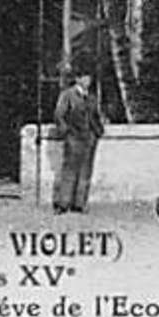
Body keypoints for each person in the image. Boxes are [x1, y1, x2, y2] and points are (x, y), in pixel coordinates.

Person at [53, 73, 104, 214]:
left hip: (89, 138)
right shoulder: (68, 95)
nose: (88, 81)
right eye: (84, 77)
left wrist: (98, 132)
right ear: (77, 79)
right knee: (69, 170)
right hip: (73, 137)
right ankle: (63, 204)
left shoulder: (92, 97)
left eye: (89, 77)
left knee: (85, 171)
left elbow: (96, 116)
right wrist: (66, 133)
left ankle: (80, 204)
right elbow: (59, 115)